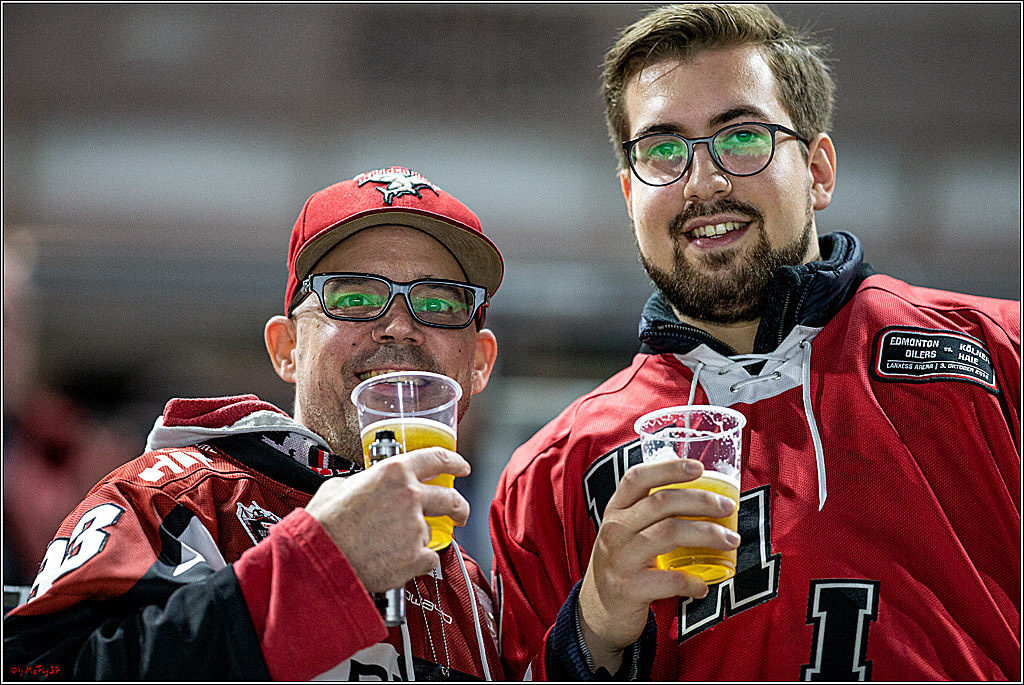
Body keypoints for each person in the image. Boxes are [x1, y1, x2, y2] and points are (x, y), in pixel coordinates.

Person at [489, 4, 1020, 681]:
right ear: (629, 193)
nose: (702, 183)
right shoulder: (551, 476)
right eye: (662, 150)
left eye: (741, 138)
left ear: (819, 170)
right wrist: (590, 629)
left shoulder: (1000, 352)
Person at [4, 166, 507, 681]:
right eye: (354, 297)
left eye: (440, 303)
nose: (400, 325)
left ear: (479, 365)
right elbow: (36, 669)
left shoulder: (476, 591)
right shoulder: (170, 499)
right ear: (286, 349)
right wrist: (315, 572)